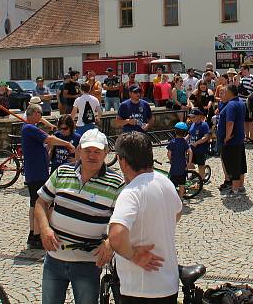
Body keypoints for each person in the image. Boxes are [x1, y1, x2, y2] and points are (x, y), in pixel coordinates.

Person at [36, 128, 124, 304]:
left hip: (88, 263)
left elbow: (124, 221)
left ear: (106, 153)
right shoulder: (62, 172)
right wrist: (44, 229)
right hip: (54, 259)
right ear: (79, 151)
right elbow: (41, 202)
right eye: (88, 150)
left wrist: (110, 243)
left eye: (97, 151)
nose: (92, 155)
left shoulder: (116, 183)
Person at [109, 132, 181, 303]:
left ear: (122, 161)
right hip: (168, 284)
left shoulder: (131, 192)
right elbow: (178, 212)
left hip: (141, 288)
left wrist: (133, 255)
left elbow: (116, 236)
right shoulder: (166, 182)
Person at [21, 104, 76, 249]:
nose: (41, 117)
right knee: (41, 202)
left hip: (36, 171)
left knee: (34, 203)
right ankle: (37, 235)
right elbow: (49, 139)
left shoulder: (29, 127)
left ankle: (33, 233)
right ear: (34, 113)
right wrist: (68, 145)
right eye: (39, 113)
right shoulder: (29, 128)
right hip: (36, 172)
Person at [217, 84, 247, 196]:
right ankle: (240, 186)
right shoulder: (240, 103)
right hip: (239, 138)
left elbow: (230, 122)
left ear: (230, 93)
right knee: (240, 163)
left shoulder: (231, 105)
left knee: (234, 164)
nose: (223, 94)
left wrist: (227, 136)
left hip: (232, 140)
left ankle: (235, 189)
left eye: (225, 92)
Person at [167, 123, 192, 198]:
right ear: (184, 133)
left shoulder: (172, 142)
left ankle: (173, 199)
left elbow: (169, 154)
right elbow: (190, 152)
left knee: (172, 184)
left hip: (174, 167)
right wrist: (189, 163)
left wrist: (170, 160)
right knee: (182, 184)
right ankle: (180, 199)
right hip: (182, 166)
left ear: (175, 131)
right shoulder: (184, 142)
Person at [187, 109, 210, 180]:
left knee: (201, 165)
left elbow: (206, 137)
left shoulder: (204, 125)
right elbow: (189, 134)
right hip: (192, 149)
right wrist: (183, 140)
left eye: (193, 117)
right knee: (190, 163)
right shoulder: (192, 124)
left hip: (201, 149)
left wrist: (197, 143)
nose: (191, 118)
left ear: (199, 116)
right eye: (191, 117)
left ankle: (201, 179)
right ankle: (194, 174)